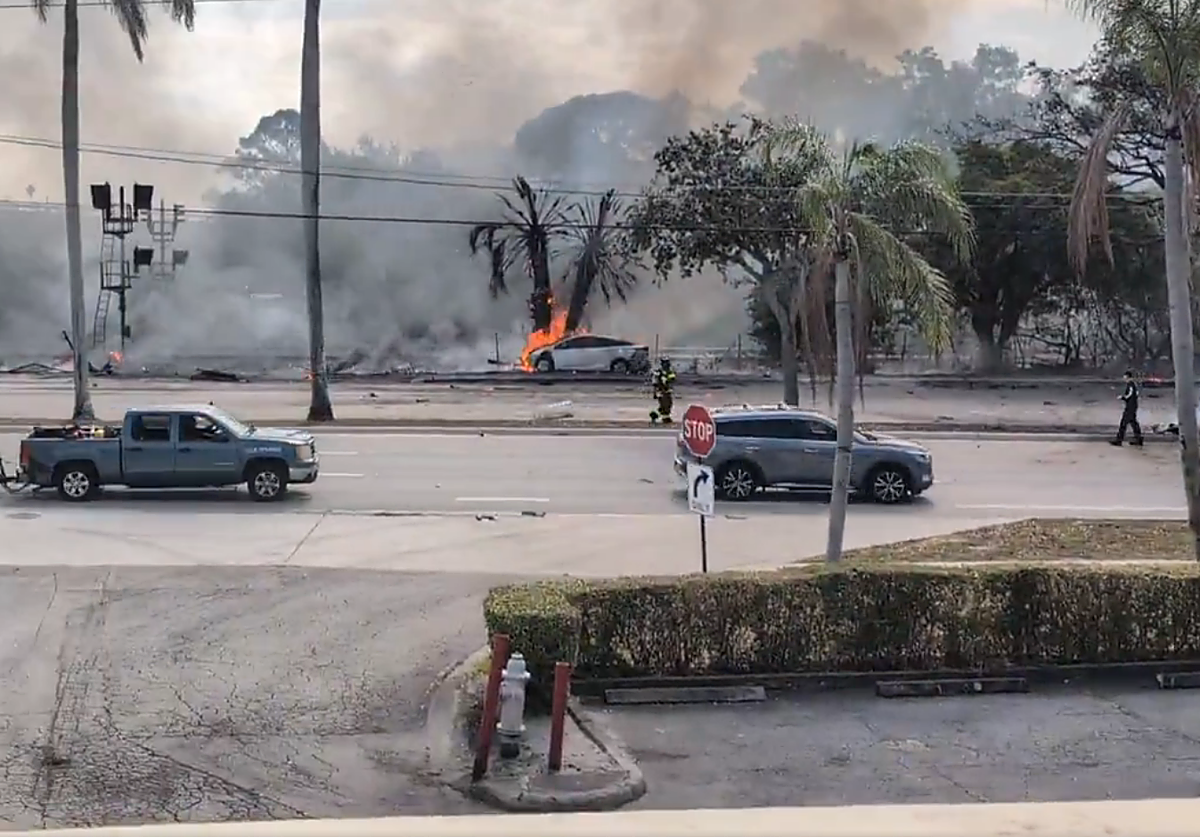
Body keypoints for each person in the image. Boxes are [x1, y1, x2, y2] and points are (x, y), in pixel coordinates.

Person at [1111, 369, 1143, 447]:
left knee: (1123, 423)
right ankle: (1138, 439)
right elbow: (1136, 394)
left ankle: (1119, 440)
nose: (1125, 379)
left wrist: (1122, 397)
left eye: (1125, 378)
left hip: (1130, 407)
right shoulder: (1133, 385)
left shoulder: (1131, 385)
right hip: (1133, 406)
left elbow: (1130, 395)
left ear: (1129, 377)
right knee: (1134, 423)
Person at [649, 357, 676, 425]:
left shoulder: (668, 372)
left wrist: (669, 378)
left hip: (667, 391)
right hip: (661, 391)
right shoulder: (659, 372)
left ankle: (662, 417)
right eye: (665, 363)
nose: (667, 364)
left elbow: (672, 378)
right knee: (665, 405)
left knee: (667, 405)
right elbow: (655, 383)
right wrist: (655, 392)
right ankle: (662, 418)